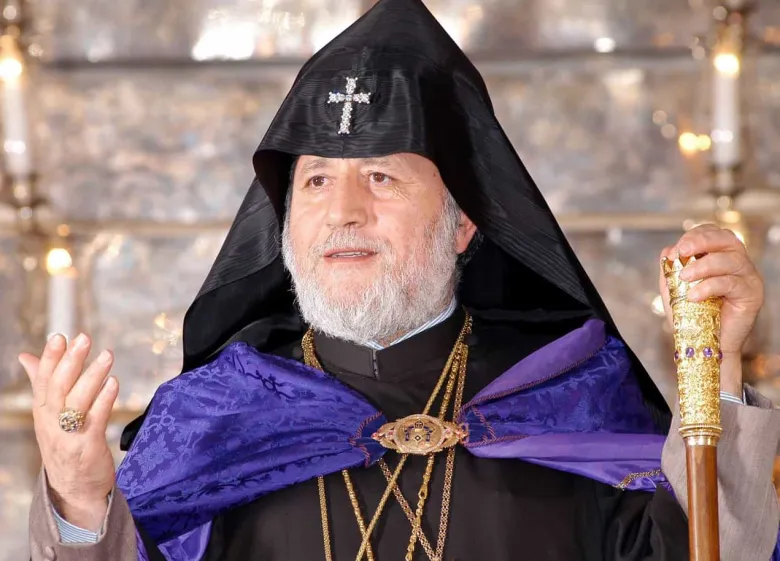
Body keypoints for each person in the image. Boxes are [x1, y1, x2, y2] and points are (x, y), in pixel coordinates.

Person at [25, 0, 780, 560]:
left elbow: (706, 551)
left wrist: (715, 370)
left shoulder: (572, 398)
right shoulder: (212, 421)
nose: (343, 213)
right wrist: (80, 499)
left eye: (381, 177)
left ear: (464, 224)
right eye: (316, 182)